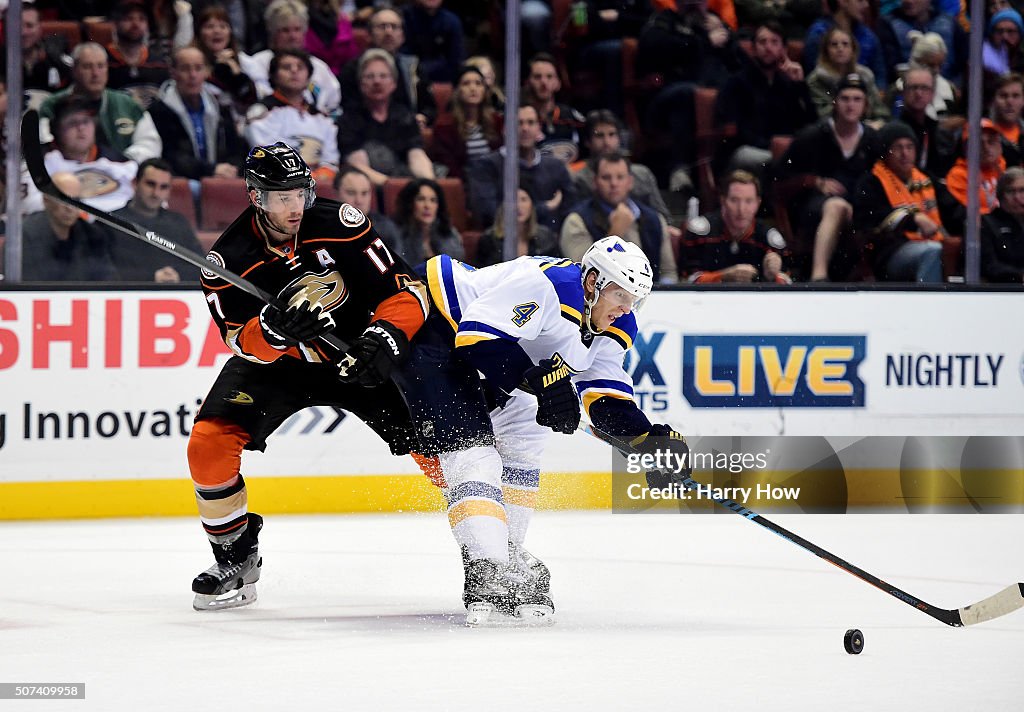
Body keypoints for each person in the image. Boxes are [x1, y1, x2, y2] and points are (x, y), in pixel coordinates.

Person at [394, 235, 687, 624]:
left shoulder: (617, 323)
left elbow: (604, 396)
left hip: (493, 353)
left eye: (634, 298)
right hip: (437, 323)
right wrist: (541, 384)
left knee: (526, 438)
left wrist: (647, 439)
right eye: (620, 294)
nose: (626, 307)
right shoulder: (550, 286)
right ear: (592, 281)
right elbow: (476, 337)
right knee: (472, 451)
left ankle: (507, 553)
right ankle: (486, 565)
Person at [188, 142, 429, 611]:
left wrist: (385, 339)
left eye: (300, 192)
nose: (295, 205)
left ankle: (490, 548)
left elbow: (408, 291)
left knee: (443, 450)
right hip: (281, 366)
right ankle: (235, 557)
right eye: (281, 196)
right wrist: (272, 332)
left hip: (359, 356)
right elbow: (239, 341)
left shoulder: (341, 225)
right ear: (256, 196)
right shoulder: (227, 259)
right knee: (208, 444)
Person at [772, 73, 880, 280]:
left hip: (859, 208)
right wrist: (813, 181)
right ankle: (818, 276)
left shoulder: (872, 139)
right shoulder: (812, 135)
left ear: (866, 105)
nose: (851, 105)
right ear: (835, 102)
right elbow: (778, 177)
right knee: (836, 206)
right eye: (845, 98)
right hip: (815, 207)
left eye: (857, 99)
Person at [853, 121, 963, 282]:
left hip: (931, 243)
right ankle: (929, 302)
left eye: (910, 147)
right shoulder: (871, 181)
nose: (905, 153)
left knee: (967, 247)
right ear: (885, 152)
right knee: (932, 251)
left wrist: (974, 221)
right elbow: (869, 219)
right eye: (898, 147)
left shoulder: (925, 179)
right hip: (890, 253)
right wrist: (913, 219)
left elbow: (953, 209)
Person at [715, 22, 817, 177]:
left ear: (783, 50)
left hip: (783, 150)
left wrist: (800, 85)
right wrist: (773, 146)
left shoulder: (787, 83)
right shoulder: (737, 82)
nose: (768, 47)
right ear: (754, 49)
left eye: (774, 42)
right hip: (747, 150)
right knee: (779, 161)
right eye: (762, 42)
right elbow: (735, 130)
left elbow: (809, 123)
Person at [561, 151, 678, 283]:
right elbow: (583, 276)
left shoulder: (654, 218)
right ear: (595, 182)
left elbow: (668, 273)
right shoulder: (577, 221)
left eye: (620, 177)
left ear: (630, 182)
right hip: (600, 300)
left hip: (651, 296)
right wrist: (615, 234)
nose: (614, 183)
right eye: (606, 177)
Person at [40, 42, 163, 163]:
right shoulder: (53, 105)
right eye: (88, 67)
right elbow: (45, 142)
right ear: (74, 70)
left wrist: (124, 163)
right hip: (67, 172)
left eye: (101, 66)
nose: (95, 73)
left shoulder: (127, 104)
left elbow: (150, 143)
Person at [467, 104, 576, 231]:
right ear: (506, 130)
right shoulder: (486, 166)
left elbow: (570, 210)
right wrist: (545, 208)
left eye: (531, 123)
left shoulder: (556, 167)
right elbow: (489, 213)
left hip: (549, 243)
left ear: (539, 129)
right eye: (519, 123)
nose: (525, 128)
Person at [336, 49, 435, 186]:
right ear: (361, 84)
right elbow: (357, 165)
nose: (377, 82)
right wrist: (393, 187)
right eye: (370, 76)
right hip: (369, 187)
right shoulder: (348, 120)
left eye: (383, 76)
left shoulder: (405, 116)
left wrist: (428, 183)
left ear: (394, 83)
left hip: (406, 182)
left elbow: (416, 155)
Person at [148, 46, 246, 181]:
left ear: (206, 72)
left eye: (198, 68)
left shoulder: (219, 108)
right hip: (182, 180)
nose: (192, 75)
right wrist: (211, 171)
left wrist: (231, 169)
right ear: (173, 73)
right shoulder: (159, 110)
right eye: (185, 69)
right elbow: (171, 156)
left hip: (221, 177)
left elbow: (236, 148)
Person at [245, 49, 339, 185]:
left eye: (300, 67)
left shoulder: (322, 119)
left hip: (318, 188)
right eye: (286, 67)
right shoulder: (261, 113)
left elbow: (331, 162)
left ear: (309, 76)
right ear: (274, 76)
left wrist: (319, 177)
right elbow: (266, 157)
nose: (294, 71)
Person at [239, 0, 343, 116]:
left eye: (297, 29)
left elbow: (334, 107)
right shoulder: (256, 63)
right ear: (272, 32)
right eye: (285, 30)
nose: (292, 36)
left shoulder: (320, 68)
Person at [683, 170, 790, 282]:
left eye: (748, 201)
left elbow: (790, 284)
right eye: (734, 200)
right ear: (723, 200)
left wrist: (773, 275)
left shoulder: (768, 239)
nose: (741, 209)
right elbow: (686, 280)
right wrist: (722, 276)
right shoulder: (700, 233)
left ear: (758, 203)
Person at [338, 7, 437, 126]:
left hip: (406, 130)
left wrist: (423, 117)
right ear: (369, 35)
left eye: (394, 27)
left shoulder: (413, 67)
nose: (388, 32)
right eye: (382, 26)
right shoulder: (353, 68)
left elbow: (430, 108)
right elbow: (346, 107)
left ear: (402, 36)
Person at [111, 158, 205, 281]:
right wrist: (151, 278)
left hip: (178, 294)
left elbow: (201, 266)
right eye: (150, 184)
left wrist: (178, 276)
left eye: (163, 187)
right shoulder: (111, 222)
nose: (156, 193)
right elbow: (105, 270)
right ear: (135, 183)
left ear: (169, 191)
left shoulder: (179, 223)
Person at [42, 95, 138, 214]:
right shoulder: (39, 162)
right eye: (72, 122)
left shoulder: (121, 163)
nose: (81, 128)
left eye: (86, 121)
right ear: (55, 128)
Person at [21, 172, 119, 282]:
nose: (70, 208)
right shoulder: (25, 234)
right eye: (63, 199)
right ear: (46, 200)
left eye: (76, 201)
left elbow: (108, 279)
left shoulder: (92, 234)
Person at [429, 64, 502, 180]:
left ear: (485, 90)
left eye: (478, 83)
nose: (473, 88)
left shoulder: (497, 122)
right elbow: (449, 166)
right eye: (466, 83)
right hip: (464, 184)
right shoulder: (444, 127)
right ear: (457, 90)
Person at [806, 27, 889, 122]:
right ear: (826, 51)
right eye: (834, 45)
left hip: (867, 127)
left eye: (845, 44)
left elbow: (880, 110)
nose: (840, 48)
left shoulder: (865, 76)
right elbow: (823, 114)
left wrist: (879, 122)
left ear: (853, 50)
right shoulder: (816, 79)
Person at [192, 3, 259, 120]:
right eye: (210, 27)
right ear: (199, 33)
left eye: (223, 26)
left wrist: (237, 74)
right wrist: (218, 69)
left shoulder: (244, 61)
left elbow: (251, 100)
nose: (217, 31)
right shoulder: (192, 61)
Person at [104, 0, 172, 110]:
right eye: (128, 19)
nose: (136, 24)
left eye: (142, 19)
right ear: (115, 24)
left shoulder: (160, 64)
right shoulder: (102, 62)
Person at [524, 53, 586, 163]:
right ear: (527, 82)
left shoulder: (572, 117)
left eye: (549, 76)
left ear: (558, 83)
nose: (544, 82)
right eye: (537, 77)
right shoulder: (521, 120)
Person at [476, 188, 560, 267]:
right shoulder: (489, 240)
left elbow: (557, 270)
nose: (518, 206)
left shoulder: (546, 237)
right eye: (512, 200)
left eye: (524, 200)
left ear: (531, 204)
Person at [391, 178, 465, 264]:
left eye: (433, 200)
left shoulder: (448, 233)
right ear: (410, 204)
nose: (427, 206)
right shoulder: (396, 235)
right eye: (421, 199)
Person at [332, 165, 402, 251]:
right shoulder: (322, 229)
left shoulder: (385, 228)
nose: (359, 201)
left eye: (364, 193)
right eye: (351, 193)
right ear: (335, 194)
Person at [945, 119, 1006, 215]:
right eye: (979, 144)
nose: (986, 148)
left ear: (1000, 145)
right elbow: (967, 215)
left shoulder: (1003, 166)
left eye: (991, 141)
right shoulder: (958, 176)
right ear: (966, 149)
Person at [400, 0, 466, 83]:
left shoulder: (451, 22)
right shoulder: (402, 18)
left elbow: (456, 62)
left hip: (442, 81)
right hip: (406, 79)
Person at [981, 167, 1024, 282]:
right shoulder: (986, 224)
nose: (1017, 198)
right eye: (1010, 191)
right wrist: (1020, 275)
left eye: (1022, 191)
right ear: (1000, 196)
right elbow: (989, 266)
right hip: (1000, 290)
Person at [989, 73, 1024, 167]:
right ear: (994, 100)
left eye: (1015, 96)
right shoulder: (984, 136)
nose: (1009, 102)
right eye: (1003, 96)